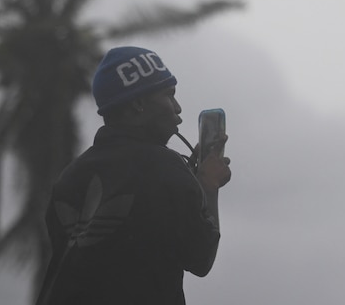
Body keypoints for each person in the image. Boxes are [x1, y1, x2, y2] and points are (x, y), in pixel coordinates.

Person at [35, 46, 232, 305]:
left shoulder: (69, 177)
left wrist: (189, 184)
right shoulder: (164, 166)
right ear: (138, 103)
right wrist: (208, 184)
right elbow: (200, 257)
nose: (178, 108)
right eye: (169, 95)